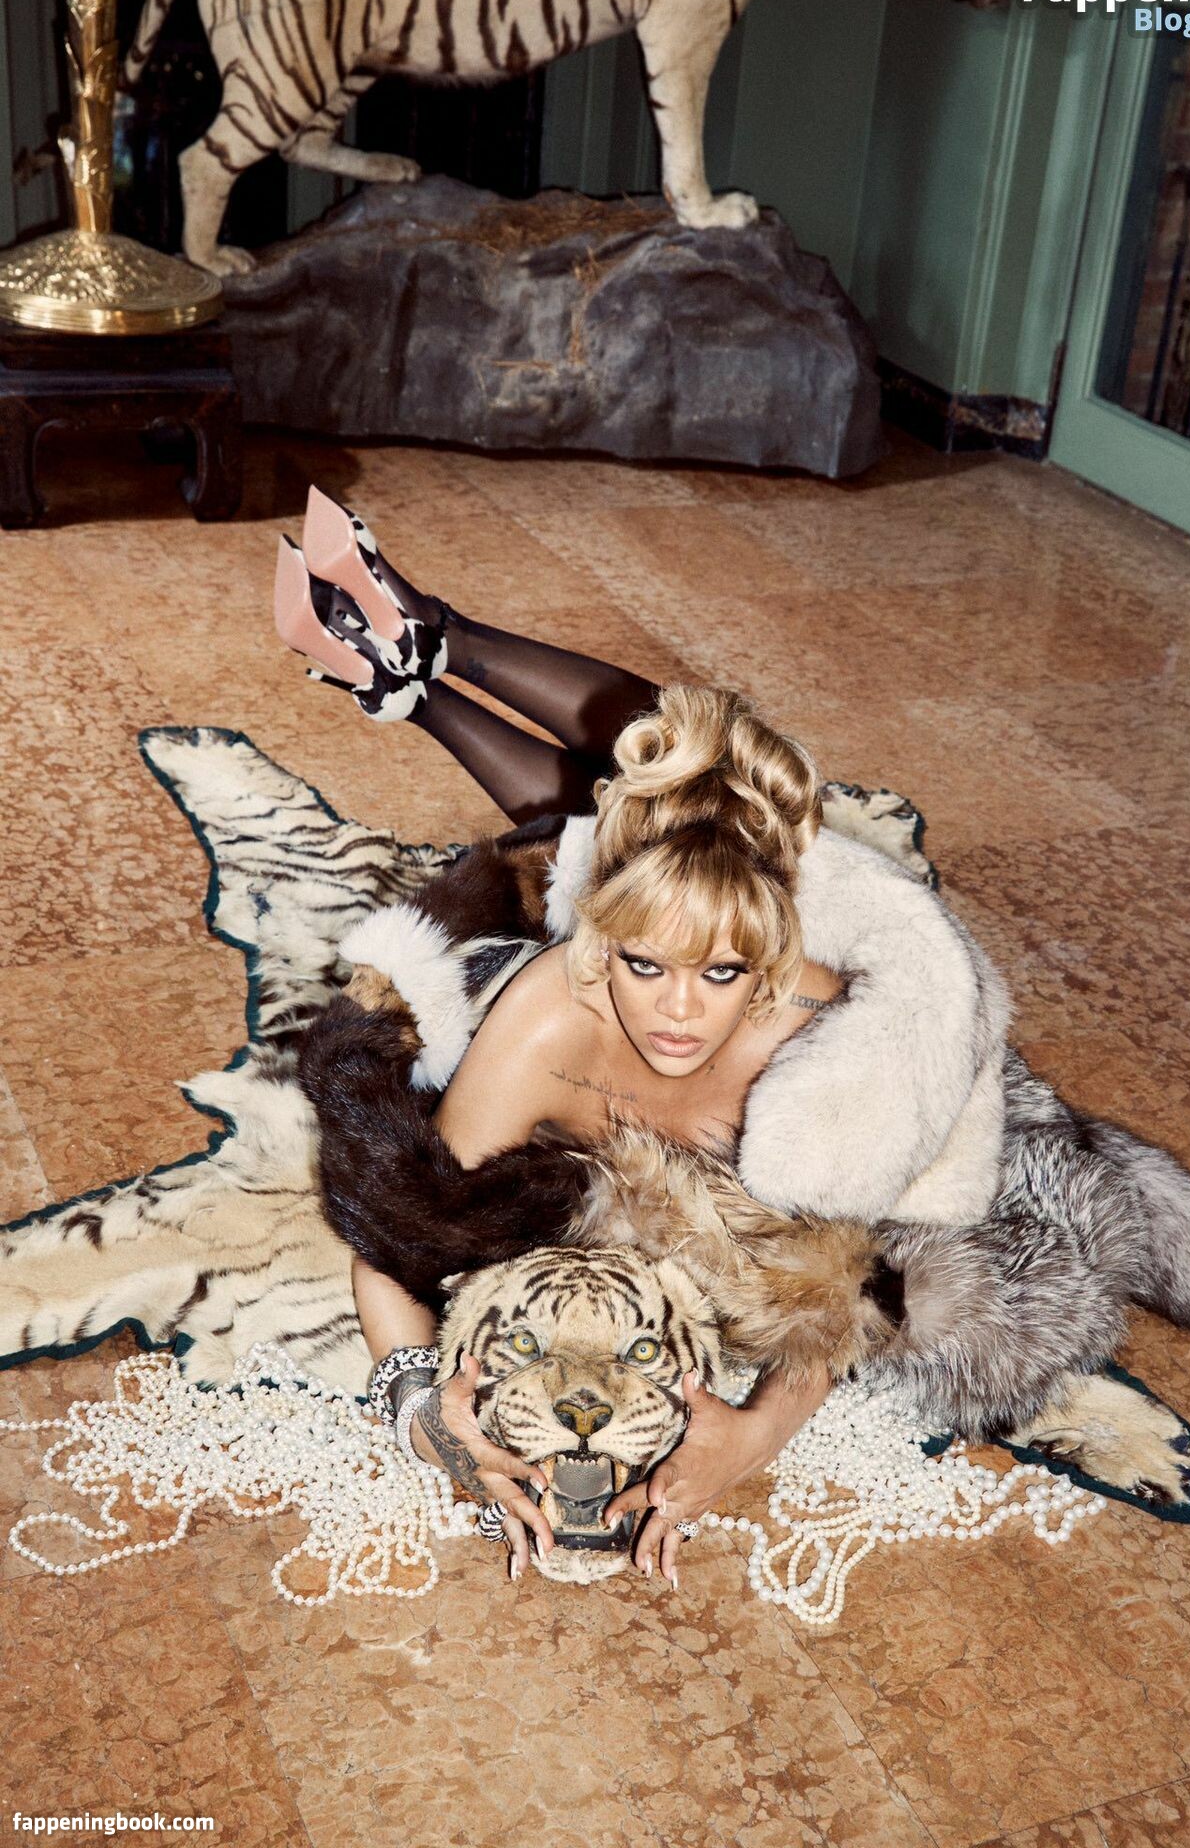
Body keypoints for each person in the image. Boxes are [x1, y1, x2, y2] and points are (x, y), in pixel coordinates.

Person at [276, 489, 939, 1585]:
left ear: (770, 969)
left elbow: (863, 1275)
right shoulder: (549, 1017)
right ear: (595, 948)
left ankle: (423, 664)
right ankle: (429, 650)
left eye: (721, 976)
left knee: (696, 779)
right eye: (643, 969)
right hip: (586, 909)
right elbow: (398, 1235)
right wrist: (428, 1419)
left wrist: (755, 1434)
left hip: (746, 894)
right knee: (632, 799)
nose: (678, 1013)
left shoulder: (829, 1034)